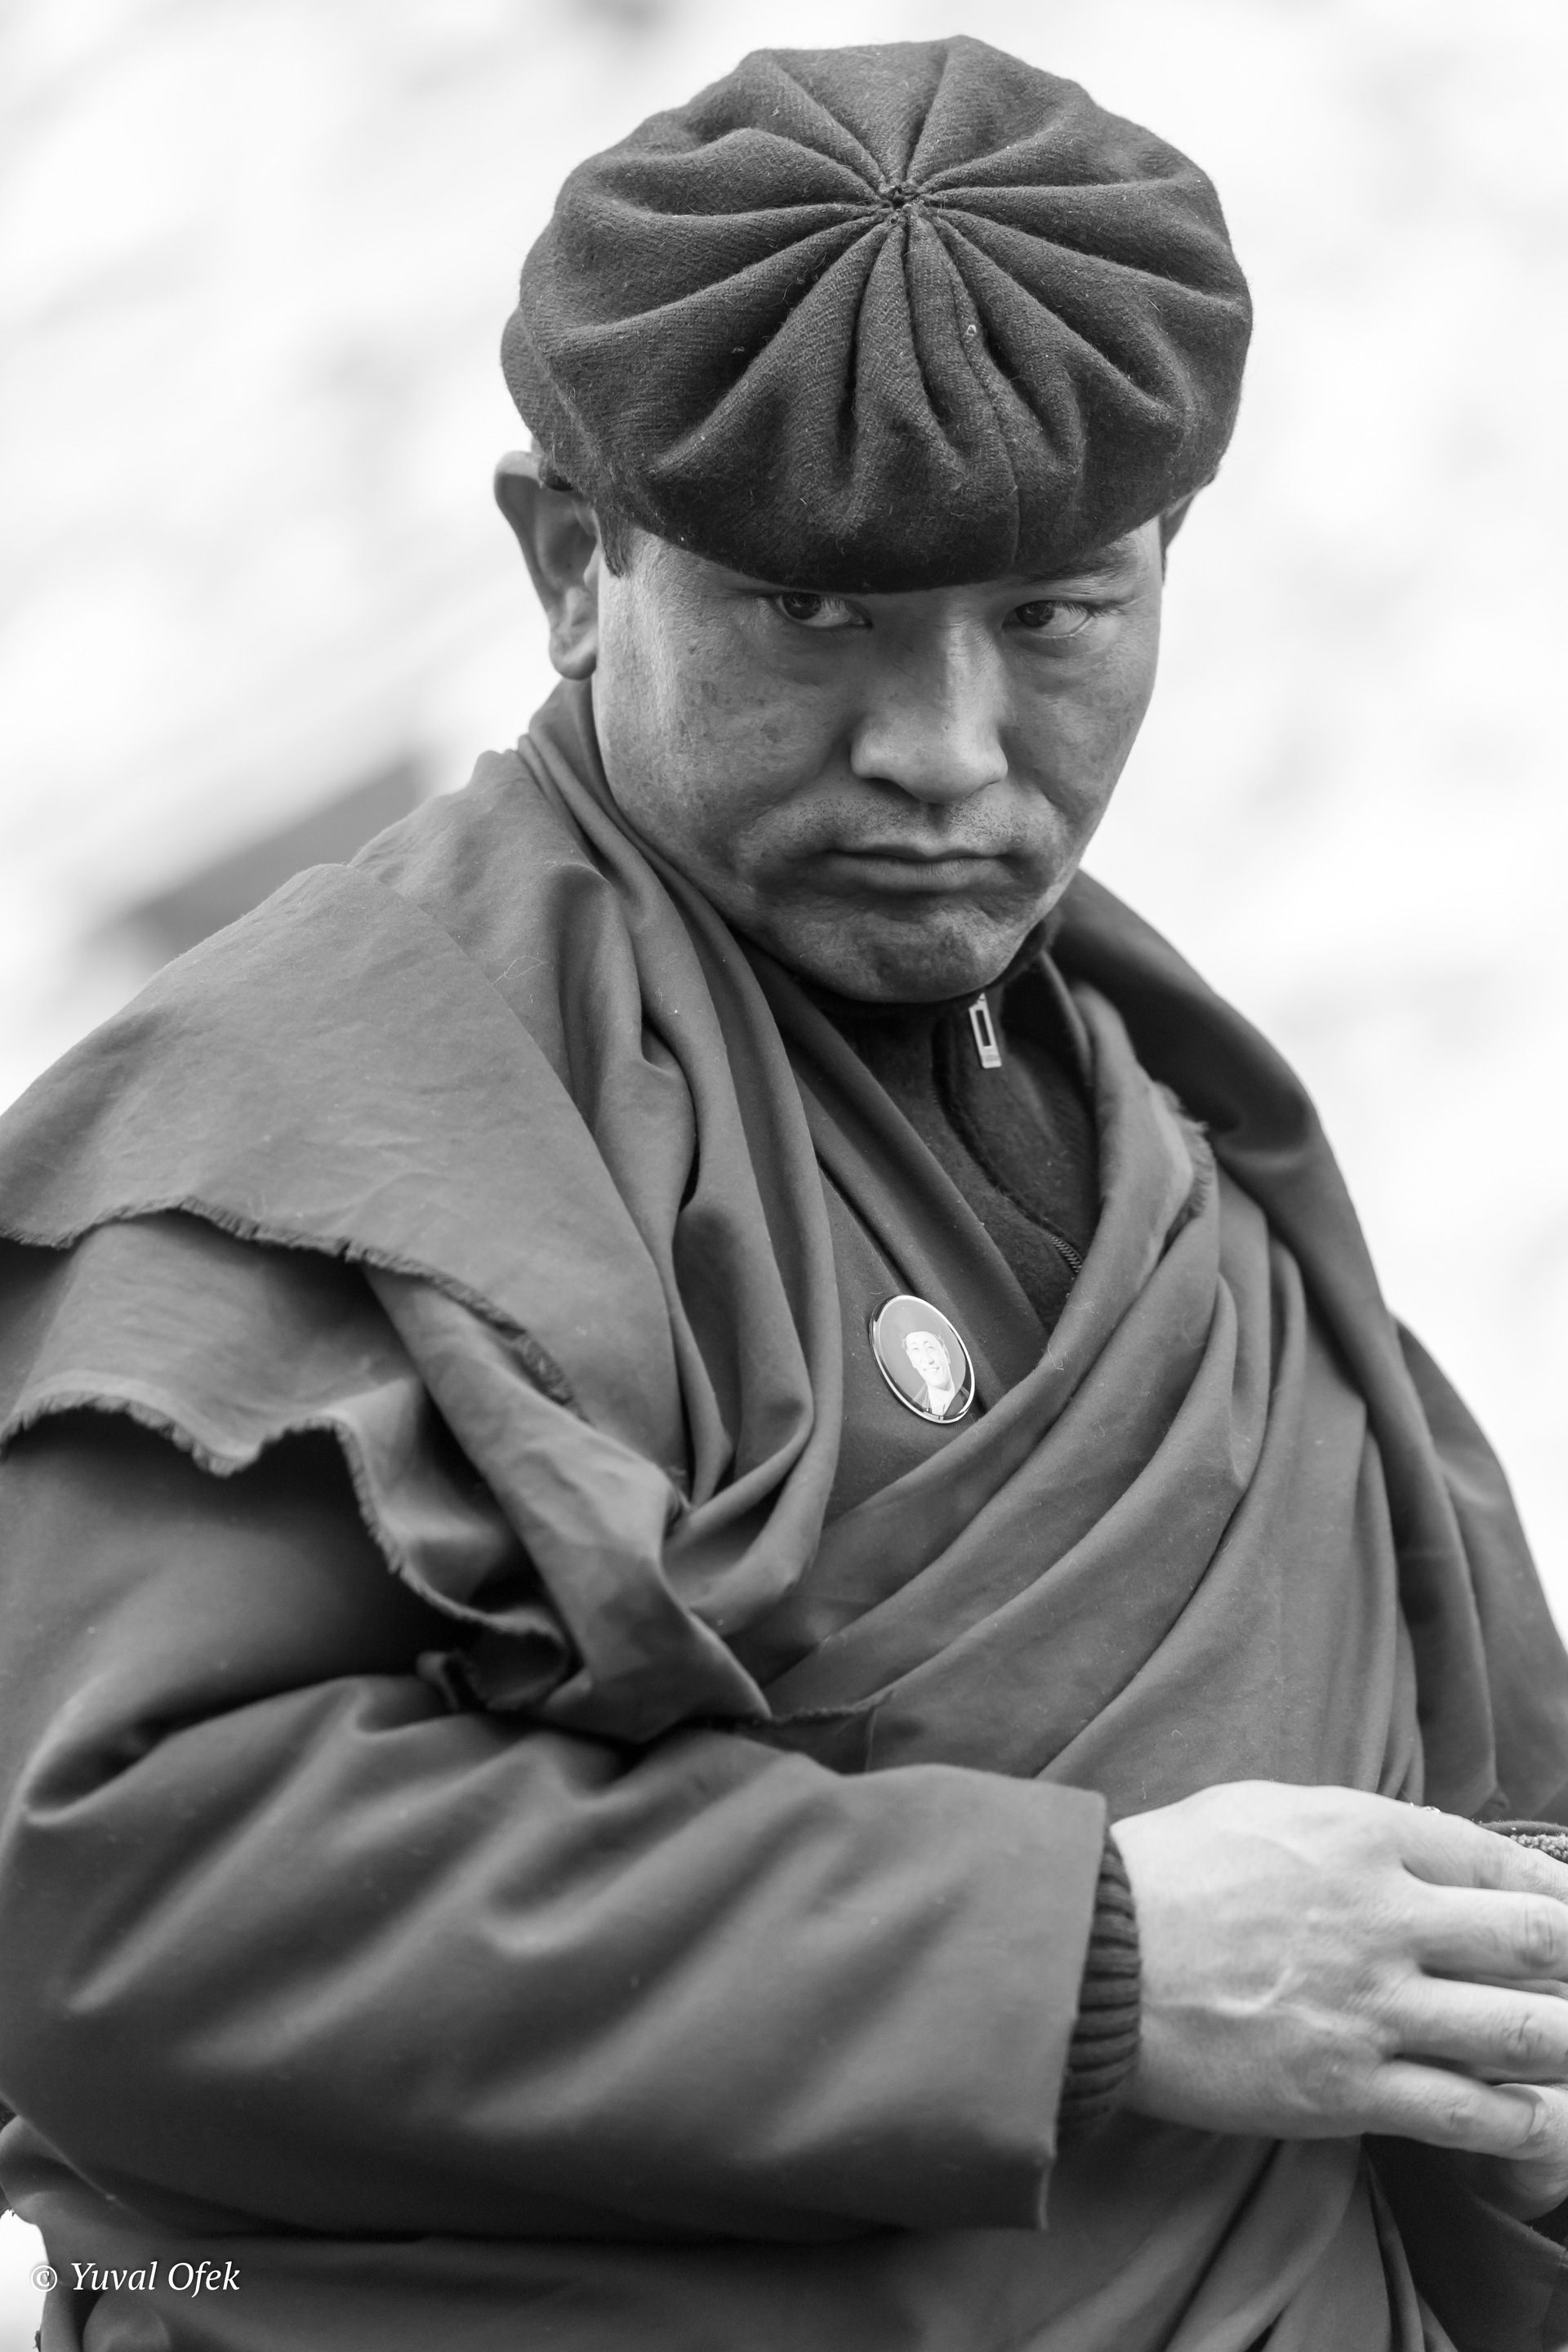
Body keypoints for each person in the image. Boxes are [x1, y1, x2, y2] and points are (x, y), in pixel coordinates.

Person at [1, 35, 1566, 2350]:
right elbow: (107, 1894)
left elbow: (1454, 1826)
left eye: (1053, 618)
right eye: (813, 618)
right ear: (574, 563)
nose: (943, 751)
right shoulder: (333, 1104)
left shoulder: (1171, 1115)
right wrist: (1093, 1961)